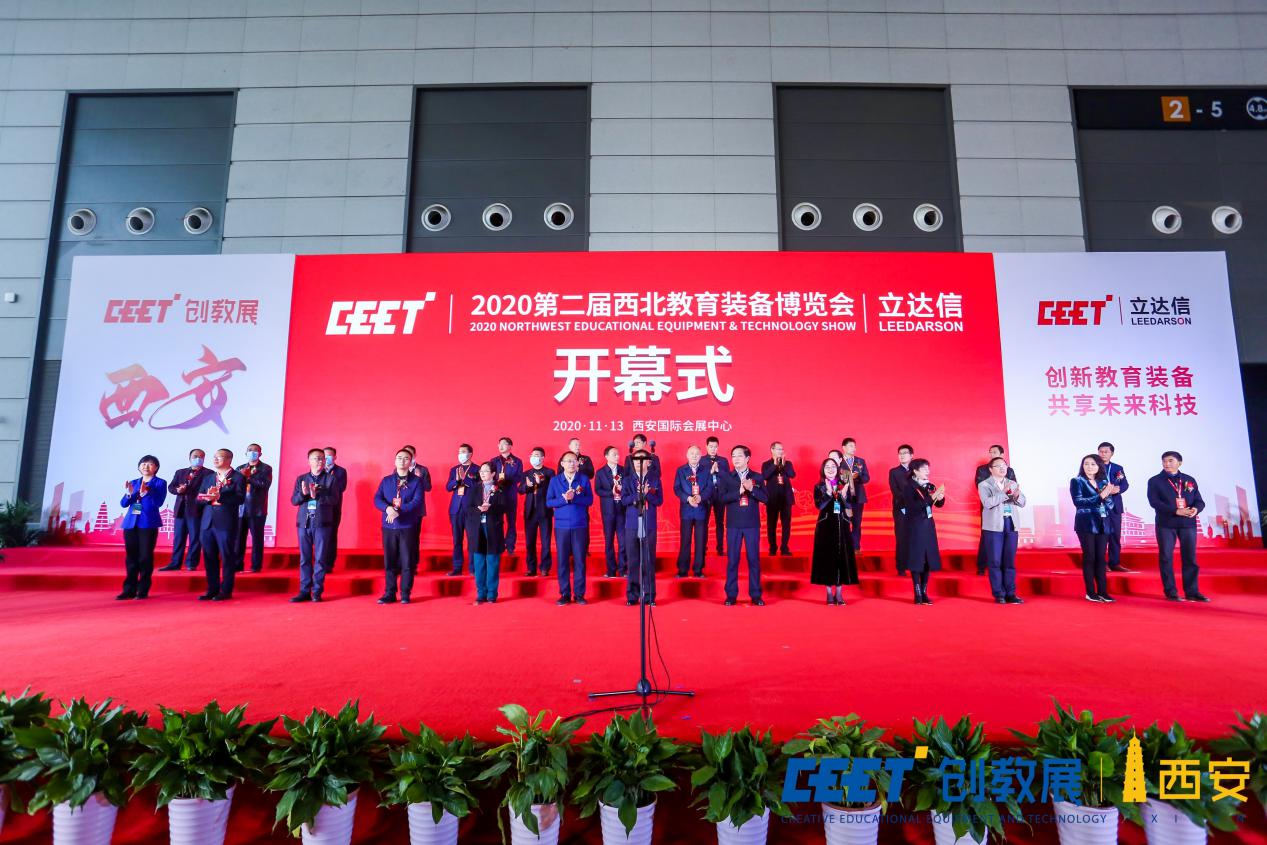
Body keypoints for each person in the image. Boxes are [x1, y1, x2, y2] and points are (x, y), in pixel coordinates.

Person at [1146, 451, 1208, 602]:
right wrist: (1175, 511)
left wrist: (1196, 509)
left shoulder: (1189, 480)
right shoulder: (1155, 481)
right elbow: (1154, 502)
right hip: (1166, 524)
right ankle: (1171, 592)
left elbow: (1199, 501)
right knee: (1166, 558)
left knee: (1190, 558)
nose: (1166, 464)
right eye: (1164, 461)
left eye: (1170, 461)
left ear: (1179, 463)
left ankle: (1192, 592)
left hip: (1188, 524)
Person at [717, 445, 768, 606]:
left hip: (752, 524)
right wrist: (738, 492)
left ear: (747, 458)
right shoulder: (727, 477)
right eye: (733, 456)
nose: (736, 459)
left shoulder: (757, 477)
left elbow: (766, 498)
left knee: (754, 560)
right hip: (733, 524)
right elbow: (721, 499)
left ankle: (756, 595)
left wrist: (752, 490)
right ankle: (731, 595)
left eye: (739, 455)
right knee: (733, 560)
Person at [373, 448, 425, 604]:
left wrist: (399, 511)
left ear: (411, 462)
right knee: (390, 561)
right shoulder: (386, 480)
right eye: (399, 458)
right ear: (395, 461)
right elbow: (377, 499)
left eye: (406, 458)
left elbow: (417, 502)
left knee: (407, 560)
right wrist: (387, 508)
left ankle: (405, 593)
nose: (402, 461)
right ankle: (389, 593)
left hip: (407, 526)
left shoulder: (416, 481)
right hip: (388, 526)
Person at [195, 449, 245, 601]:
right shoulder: (209, 477)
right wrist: (206, 498)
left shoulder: (238, 477)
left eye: (220, 457)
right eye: (214, 457)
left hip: (226, 523)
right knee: (209, 557)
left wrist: (220, 497)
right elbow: (198, 498)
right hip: (207, 522)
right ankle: (212, 589)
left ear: (229, 459)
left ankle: (226, 590)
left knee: (227, 556)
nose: (215, 459)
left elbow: (240, 498)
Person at [547, 451, 594, 605]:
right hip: (561, 526)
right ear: (562, 464)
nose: (571, 463)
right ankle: (564, 593)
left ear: (578, 463)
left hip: (579, 524)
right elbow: (549, 502)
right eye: (568, 461)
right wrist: (564, 500)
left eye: (574, 461)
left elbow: (590, 500)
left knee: (580, 560)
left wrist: (575, 498)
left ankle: (579, 594)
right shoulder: (555, 481)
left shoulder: (583, 479)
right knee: (562, 561)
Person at [117, 455, 167, 600]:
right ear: (139, 467)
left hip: (148, 523)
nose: (146, 466)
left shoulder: (160, 483)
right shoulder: (133, 482)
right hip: (131, 523)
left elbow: (158, 503)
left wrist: (147, 492)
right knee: (131, 557)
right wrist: (129, 493)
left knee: (145, 557)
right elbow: (124, 504)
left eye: (150, 464)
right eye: (143, 464)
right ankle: (129, 590)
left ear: (156, 468)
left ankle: (143, 589)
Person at [290, 448, 336, 603]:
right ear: (309, 461)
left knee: (320, 559)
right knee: (305, 559)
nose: (320, 461)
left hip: (322, 523)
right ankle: (304, 591)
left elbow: (334, 500)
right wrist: (303, 494)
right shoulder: (301, 479)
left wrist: (318, 496)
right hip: (304, 523)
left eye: (322, 458)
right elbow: (294, 501)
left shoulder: (330, 479)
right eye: (316, 458)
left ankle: (317, 591)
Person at [978, 456, 1026, 605]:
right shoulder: (984, 485)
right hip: (993, 526)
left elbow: (1023, 502)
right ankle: (999, 593)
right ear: (990, 469)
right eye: (998, 466)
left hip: (1011, 524)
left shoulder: (1012, 483)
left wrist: (1017, 496)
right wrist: (1004, 493)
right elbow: (987, 503)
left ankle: (1011, 593)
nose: (1002, 468)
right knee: (995, 561)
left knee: (1009, 561)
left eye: (1004, 465)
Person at [810, 458, 857, 606]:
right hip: (825, 526)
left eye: (833, 467)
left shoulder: (844, 483)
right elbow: (819, 505)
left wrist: (844, 495)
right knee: (827, 558)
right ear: (823, 470)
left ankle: (839, 593)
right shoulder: (819, 486)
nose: (830, 469)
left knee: (842, 557)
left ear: (837, 469)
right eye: (827, 467)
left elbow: (851, 504)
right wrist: (829, 493)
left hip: (842, 524)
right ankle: (829, 593)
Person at [1070, 454, 1115, 603]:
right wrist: (1100, 497)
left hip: (1102, 523)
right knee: (1090, 556)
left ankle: (1103, 591)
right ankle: (1090, 592)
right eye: (1086, 464)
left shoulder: (1103, 482)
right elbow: (1078, 502)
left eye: (1093, 464)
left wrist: (1105, 498)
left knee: (1101, 558)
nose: (1089, 467)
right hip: (1086, 523)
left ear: (1099, 466)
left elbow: (1110, 504)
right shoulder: (1077, 481)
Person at [621, 451, 663, 606]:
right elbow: (623, 500)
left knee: (648, 561)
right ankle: (632, 596)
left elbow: (659, 501)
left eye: (642, 459)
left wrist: (647, 494)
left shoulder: (655, 480)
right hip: (632, 524)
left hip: (648, 524)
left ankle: (649, 596)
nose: (639, 462)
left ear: (649, 462)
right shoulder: (627, 480)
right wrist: (637, 496)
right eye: (636, 459)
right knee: (632, 561)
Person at [902, 458, 945, 605]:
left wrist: (940, 497)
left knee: (928, 558)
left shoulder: (930, 485)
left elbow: (938, 504)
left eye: (928, 468)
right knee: (917, 558)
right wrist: (931, 497)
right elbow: (914, 507)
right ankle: (917, 593)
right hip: (915, 526)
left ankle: (925, 592)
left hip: (928, 525)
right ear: (915, 471)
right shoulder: (909, 486)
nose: (928, 471)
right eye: (924, 468)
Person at [466, 462, 508, 604]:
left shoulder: (500, 489)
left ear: (493, 473)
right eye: (481, 471)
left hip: (493, 527)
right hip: (477, 528)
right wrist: (479, 509)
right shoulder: (475, 489)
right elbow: (468, 508)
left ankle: (492, 594)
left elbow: (504, 508)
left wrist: (490, 508)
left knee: (492, 561)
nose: (482, 473)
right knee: (478, 562)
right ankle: (481, 593)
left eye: (485, 471)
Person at [160, 449, 206, 571]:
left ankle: (191, 563)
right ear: (189, 458)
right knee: (178, 538)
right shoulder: (180, 472)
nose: (198, 459)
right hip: (180, 509)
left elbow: (206, 490)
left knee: (195, 538)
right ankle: (175, 563)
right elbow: (171, 487)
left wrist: (190, 490)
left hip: (196, 510)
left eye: (201, 457)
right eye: (195, 456)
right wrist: (178, 490)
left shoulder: (209, 473)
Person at [973, 445, 1016, 575]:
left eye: (995, 452)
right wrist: (1000, 493)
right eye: (990, 452)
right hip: (990, 507)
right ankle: (982, 565)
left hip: (1007, 507)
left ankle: (1003, 565)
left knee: (1007, 536)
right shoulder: (982, 469)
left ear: (1002, 454)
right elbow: (981, 487)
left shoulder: (1009, 470)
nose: (991, 454)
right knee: (987, 536)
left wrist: (1011, 494)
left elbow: (1013, 486)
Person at [674, 445, 713, 577]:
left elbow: (710, 488)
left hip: (701, 509)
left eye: (697, 453)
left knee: (700, 541)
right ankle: (682, 570)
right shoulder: (681, 470)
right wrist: (687, 498)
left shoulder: (706, 471)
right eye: (692, 453)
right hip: (686, 510)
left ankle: (698, 570)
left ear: (701, 455)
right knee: (685, 540)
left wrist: (701, 497)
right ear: (687, 455)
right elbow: (677, 488)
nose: (694, 456)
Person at [235, 443, 272, 573]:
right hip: (240, 508)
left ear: (260, 454)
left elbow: (265, 485)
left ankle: (256, 566)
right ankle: (237, 565)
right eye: (250, 450)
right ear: (246, 453)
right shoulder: (239, 468)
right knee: (239, 539)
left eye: (256, 451)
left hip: (257, 509)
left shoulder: (266, 468)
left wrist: (248, 478)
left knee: (257, 539)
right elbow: (235, 486)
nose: (252, 452)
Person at [519, 447, 555, 577]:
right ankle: (531, 568)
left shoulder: (549, 472)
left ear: (542, 458)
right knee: (530, 542)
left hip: (544, 511)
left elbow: (553, 489)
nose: (534, 457)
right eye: (532, 455)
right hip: (530, 512)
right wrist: (527, 486)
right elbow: (520, 490)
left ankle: (545, 567)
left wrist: (541, 484)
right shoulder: (526, 473)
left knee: (546, 542)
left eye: (537, 455)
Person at [1097, 442, 1133, 573]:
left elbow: (1125, 484)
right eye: (1101, 451)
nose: (1103, 454)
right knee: (1101, 536)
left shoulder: (1117, 468)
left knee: (1115, 536)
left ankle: (1115, 563)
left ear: (1112, 453)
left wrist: (1118, 489)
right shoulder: (1093, 466)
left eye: (1106, 452)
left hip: (1115, 507)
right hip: (1100, 506)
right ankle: (1101, 564)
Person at [594, 445, 627, 577]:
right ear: (606, 456)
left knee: (623, 542)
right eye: (614, 454)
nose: (617, 456)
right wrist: (611, 492)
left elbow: (629, 487)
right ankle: (611, 570)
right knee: (609, 542)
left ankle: (623, 569)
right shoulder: (600, 472)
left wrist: (622, 489)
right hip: (608, 511)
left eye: (618, 454)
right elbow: (598, 490)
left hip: (622, 510)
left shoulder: (624, 470)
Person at [445, 444, 478, 575]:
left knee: (472, 540)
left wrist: (466, 480)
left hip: (471, 510)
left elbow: (479, 487)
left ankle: (473, 568)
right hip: (456, 509)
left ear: (470, 454)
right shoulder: (454, 469)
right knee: (457, 540)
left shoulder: (477, 469)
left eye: (463, 452)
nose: (460, 454)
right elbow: (448, 487)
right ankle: (457, 568)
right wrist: (457, 481)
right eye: (459, 452)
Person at [761, 441, 796, 556]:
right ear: (772, 450)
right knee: (771, 524)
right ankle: (772, 547)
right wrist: (775, 465)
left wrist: (783, 464)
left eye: (782, 449)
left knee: (786, 525)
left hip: (786, 499)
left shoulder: (788, 463)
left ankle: (784, 547)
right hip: (772, 499)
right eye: (778, 449)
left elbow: (792, 475)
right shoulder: (766, 464)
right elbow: (765, 476)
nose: (781, 451)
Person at [489, 437, 522, 554]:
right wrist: (497, 482)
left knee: (511, 522)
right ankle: (498, 544)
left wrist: (507, 480)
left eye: (504, 444)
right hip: (497, 494)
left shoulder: (517, 461)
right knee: (497, 521)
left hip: (510, 494)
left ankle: (510, 546)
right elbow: (490, 475)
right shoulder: (494, 461)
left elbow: (519, 477)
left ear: (510, 446)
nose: (501, 446)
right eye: (499, 444)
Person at [321, 447, 349, 573]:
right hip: (320, 508)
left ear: (335, 457)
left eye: (329, 456)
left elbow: (341, 488)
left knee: (332, 535)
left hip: (334, 508)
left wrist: (325, 485)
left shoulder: (341, 471)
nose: (326, 458)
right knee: (320, 536)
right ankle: (319, 562)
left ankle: (329, 564)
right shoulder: (318, 469)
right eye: (324, 456)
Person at [701, 436, 730, 554]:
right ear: (706, 446)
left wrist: (718, 471)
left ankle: (720, 548)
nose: (713, 449)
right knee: (704, 522)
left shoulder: (723, 461)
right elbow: (700, 477)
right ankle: (703, 548)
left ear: (718, 447)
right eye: (711, 446)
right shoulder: (701, 460)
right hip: (706, 495)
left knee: (720, 523)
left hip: (720, 495)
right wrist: (710, 471)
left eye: (715, 447)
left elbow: (728, 477)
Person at [888, 444, 913, 576]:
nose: (902, 455)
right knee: (902, 538)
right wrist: (907, 504)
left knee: (916, 537)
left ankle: (915, 565)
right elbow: (895, 491)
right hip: (901, 509)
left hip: (916, 510)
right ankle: (901, 567)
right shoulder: (894, 472)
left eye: (905, 453)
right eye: (900, 453)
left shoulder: (917, 469)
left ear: (912, 455)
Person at [840, 438, 870, 552]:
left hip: (858, 497)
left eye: (855, 446)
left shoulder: (860, 461)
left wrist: (857, 477)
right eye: (851, 446)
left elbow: (867, 478)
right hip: (844, 497)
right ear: (844, 447)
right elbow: (835, 478)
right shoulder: (839, 461)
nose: (854, 448)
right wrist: (847, 477)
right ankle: (845, 547)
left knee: (857, 522)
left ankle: (856, 547)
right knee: (844, 522)